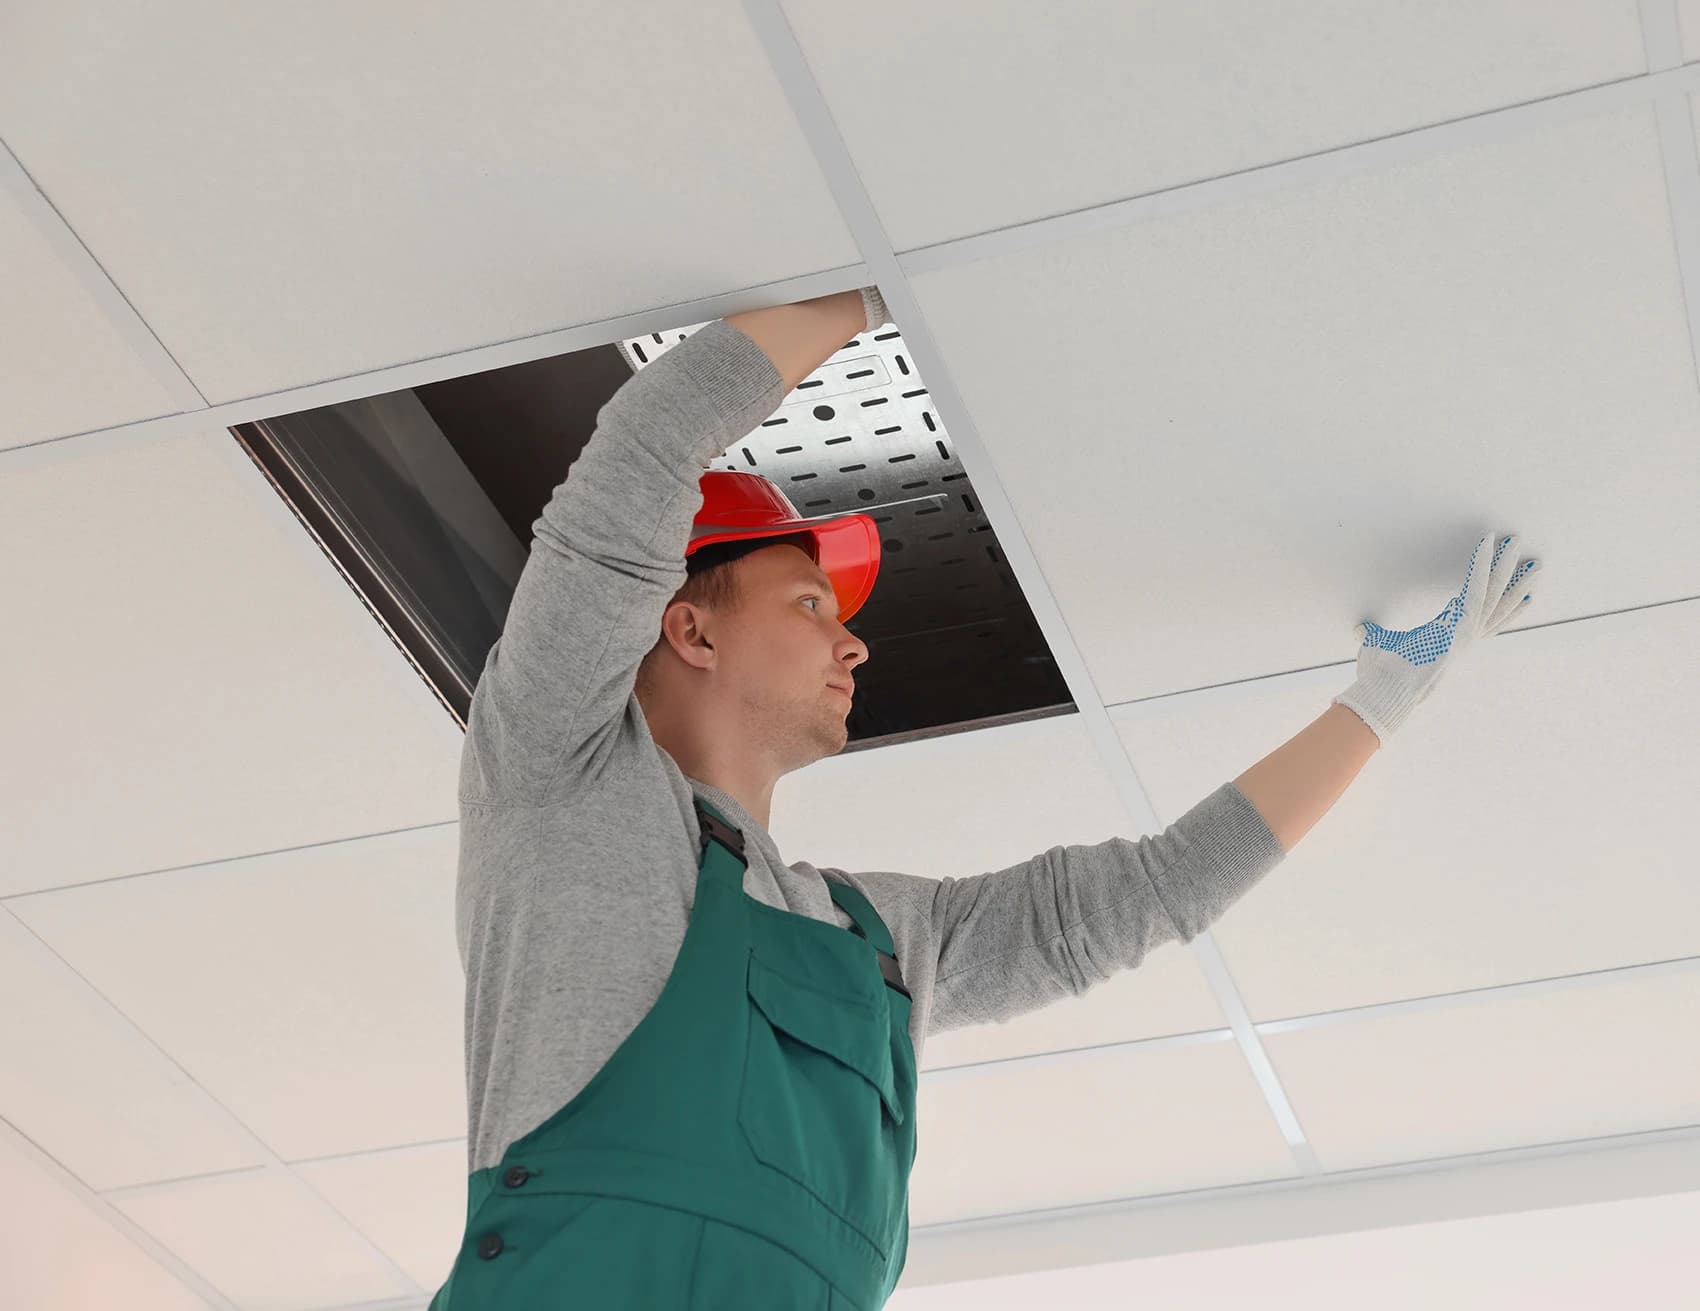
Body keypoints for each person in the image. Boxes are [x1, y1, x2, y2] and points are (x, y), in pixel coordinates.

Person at [426, 287, 1538, 1308]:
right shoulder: (558, 777)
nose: (852, 642)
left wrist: (1382, 700)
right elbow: (646, 448)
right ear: (689, 625)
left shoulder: (878, 939)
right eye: (811, 601)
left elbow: (1148, 894)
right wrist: (887, 279)